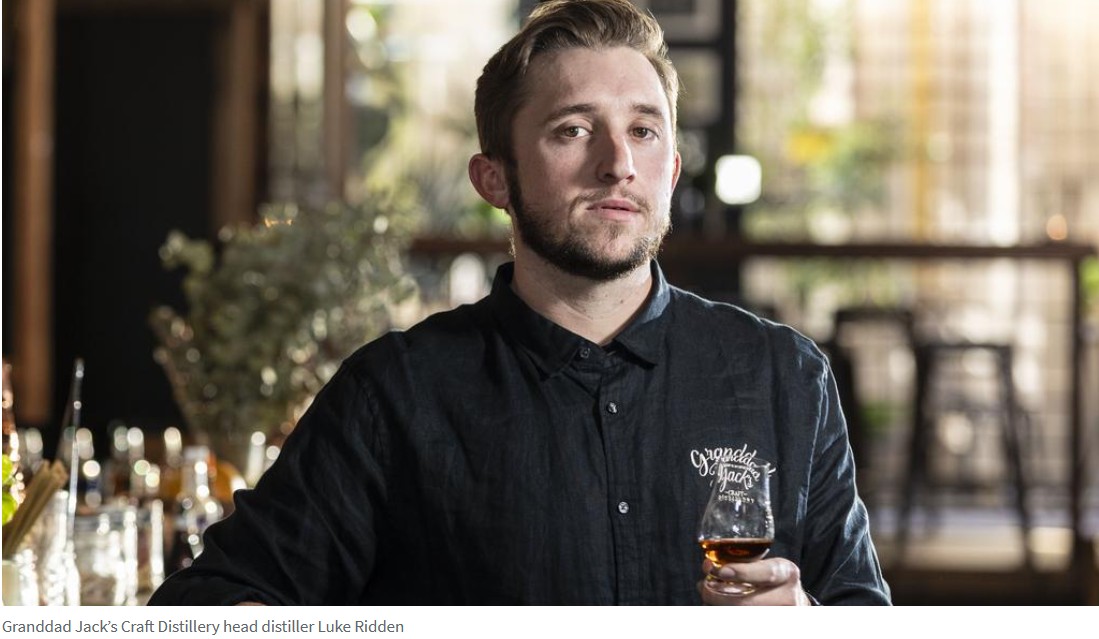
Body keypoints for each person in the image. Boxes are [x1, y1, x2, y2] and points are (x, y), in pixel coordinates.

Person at [148, 0, 890, 606]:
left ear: (669, 170)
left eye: (642, 130)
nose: (617, 163)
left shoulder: (782, 375)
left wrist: (802, 620)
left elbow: (861, 610)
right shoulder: (394, 394)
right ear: (493, 179)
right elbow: (209, 603)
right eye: (573, 130)